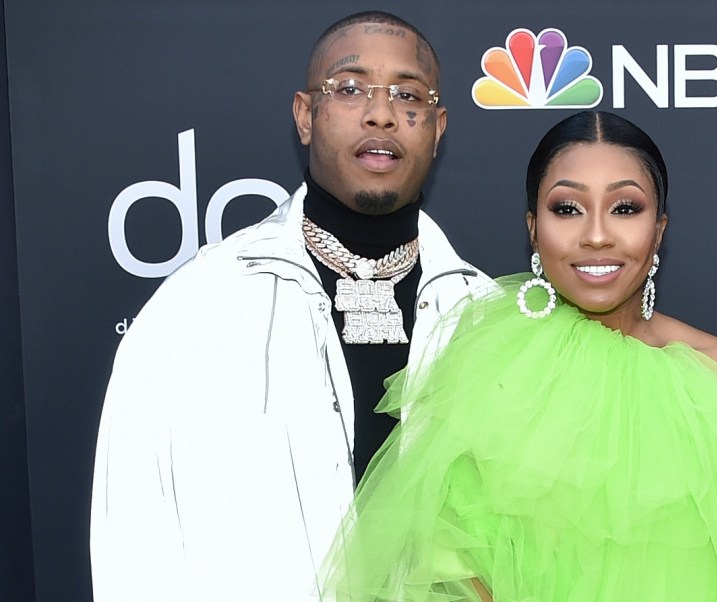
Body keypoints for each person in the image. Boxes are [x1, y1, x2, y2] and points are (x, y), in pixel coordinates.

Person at [318, 111, 717, 601]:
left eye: (625, 207)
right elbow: (454, 572)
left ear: (659, 229)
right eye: (567, 208)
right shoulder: (487, 371)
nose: (597, 235)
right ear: (533, 229)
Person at [90, 11, 491, 601]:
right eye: (350, 88)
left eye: (408, 95)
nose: (381, 113)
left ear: (437, 127)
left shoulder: (484, 317)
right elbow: (133, 536)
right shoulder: (198, 308)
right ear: (306, 115)